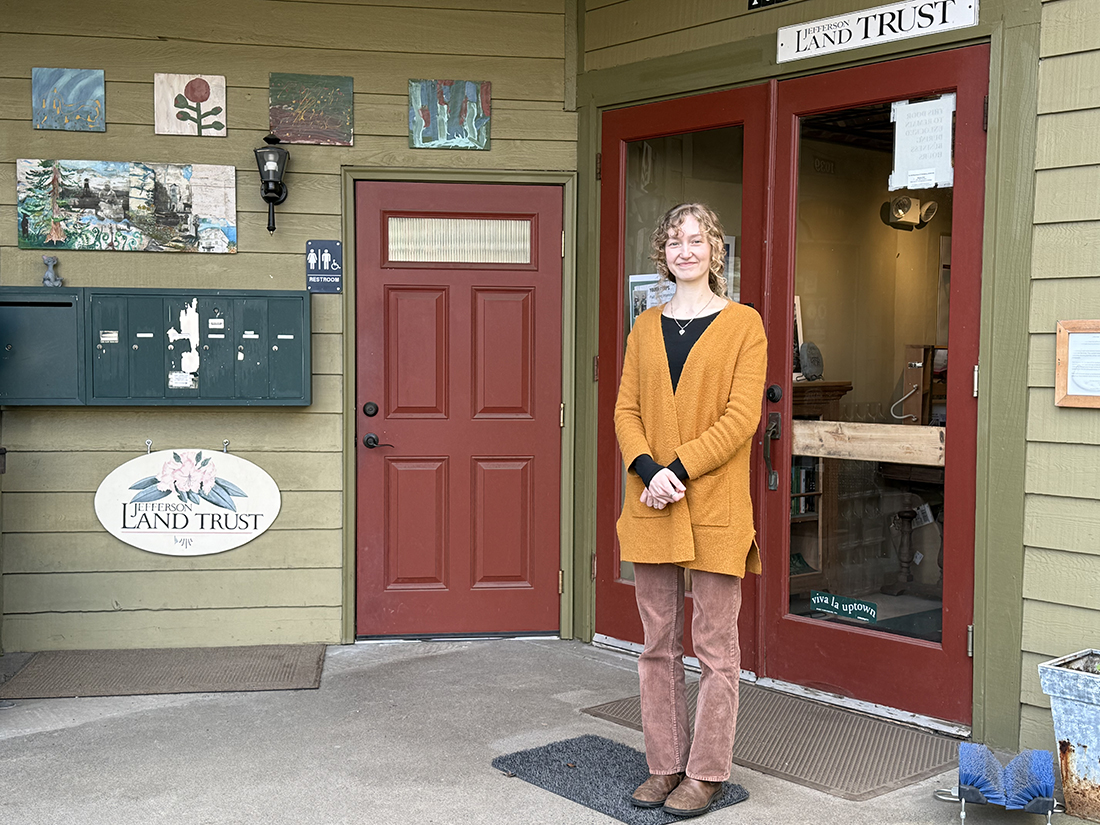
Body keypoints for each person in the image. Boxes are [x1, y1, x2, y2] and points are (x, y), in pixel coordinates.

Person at [614, 202, 767, 818]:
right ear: (663, 253)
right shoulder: (644, 327)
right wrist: (649, 473)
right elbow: (626, 411)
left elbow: (742, 419)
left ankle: (705, 772)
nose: (685, 250)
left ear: (715, 252)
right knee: (656, 644)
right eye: (675, 240)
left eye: (696, 240)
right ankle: (663, 764)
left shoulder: (743, 325)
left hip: (714, 504)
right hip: (651, 502)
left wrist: (677, 470)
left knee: (715, 646)